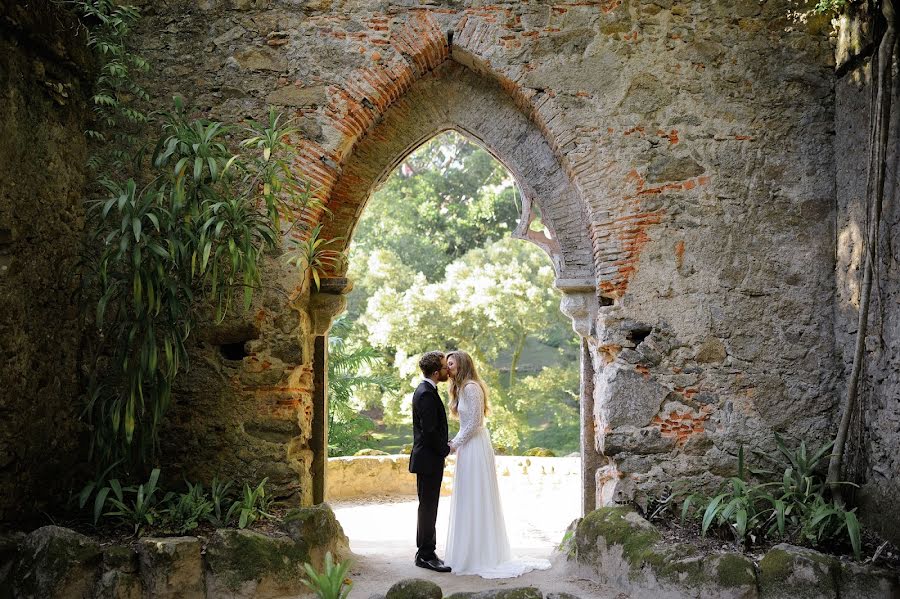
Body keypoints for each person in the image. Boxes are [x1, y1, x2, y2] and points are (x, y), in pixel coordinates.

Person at [444, 350, 551, 578]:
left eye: (451, 364)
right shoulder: (461, 389)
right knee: (467, 497)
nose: (447, 368)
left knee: (476, 496)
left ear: (461, 365)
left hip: (474, 445)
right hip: (467, 444)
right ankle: (469, 551)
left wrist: (454, 444)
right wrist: (457, 442)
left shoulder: (472, 387)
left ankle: (481, 555)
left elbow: (474, 423)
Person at [409, 350, 452, 573]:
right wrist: (444, 448)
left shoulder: (428, 389)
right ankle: (425, 554)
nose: (448, 371)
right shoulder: (426, 393)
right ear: (436, 372)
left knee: (428, 506)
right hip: (428, 459)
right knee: (428, 507)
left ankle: (427, 552)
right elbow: (429, 430)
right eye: (445, 368)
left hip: (428, 458)